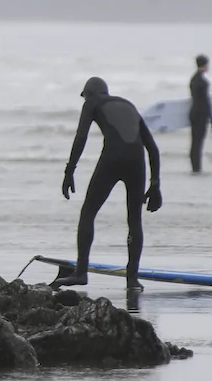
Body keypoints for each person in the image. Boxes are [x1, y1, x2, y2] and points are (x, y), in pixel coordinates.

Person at [53, 76, 162, 292]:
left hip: (112, 159)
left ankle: (81, 272)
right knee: (134, 220)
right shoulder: (128, 104)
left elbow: (81, 137)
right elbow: (152, 147)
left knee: (88, 213)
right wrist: (155, 184)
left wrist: (69, 171)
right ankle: (132, 279)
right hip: (137, 163)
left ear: (90, 93)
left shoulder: (92, 103)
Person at [189, 54, 212, 173]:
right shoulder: (203, 82)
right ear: (205, 65)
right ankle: (197, 169)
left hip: (194, 112)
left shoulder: (193, 79)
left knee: (195, 142)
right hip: (201, 113)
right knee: (198, 143)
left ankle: (195, 167)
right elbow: (206, 101)